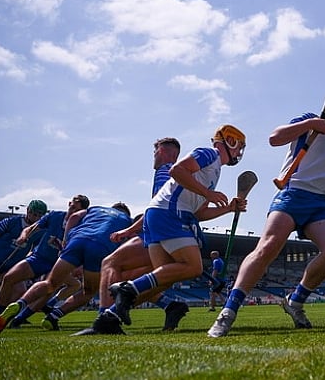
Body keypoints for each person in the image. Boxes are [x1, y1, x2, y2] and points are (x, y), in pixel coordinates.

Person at [208, 92, 325, 337]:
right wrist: (310, 125)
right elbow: (274, 138)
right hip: (294, 192)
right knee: (268, 247)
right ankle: (228, 311)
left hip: (321, 203)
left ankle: (295, 301)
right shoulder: (312, 119)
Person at [105, 125, 248, 334]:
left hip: (160, 214)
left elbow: (199, 213)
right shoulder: (209, 154)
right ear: (230, 141)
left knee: (162, 280)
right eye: (239, 146)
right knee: (193, 267)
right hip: (168, 213)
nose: (239, 152)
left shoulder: (214, 171)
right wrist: (208, 195)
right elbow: (177, 170)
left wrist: (228, 209)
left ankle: (109, 316)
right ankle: (127, 289)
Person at [70, 137, 190, 334]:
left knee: (110, 264)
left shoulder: (164, 172)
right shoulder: (179, 174)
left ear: (161, 151)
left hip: (160, 235)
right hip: (174, 234)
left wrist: (129, 231)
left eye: (154, 152)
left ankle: (104, 321)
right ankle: (170, 306)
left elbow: (159, 209)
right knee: (128, 280)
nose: (153, 156)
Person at [0, 202, 133, 332]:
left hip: (77, 241)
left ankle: (20, 304)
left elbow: (74, 217)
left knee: (49, 283)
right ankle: (53, 317)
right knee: (88, 291)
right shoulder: (127, 221)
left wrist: (66, 240)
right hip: (100, 247)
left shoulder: (96, 209)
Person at [0, 195, 90, 328]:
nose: (72, 211)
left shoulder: (82, 227)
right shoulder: (55, 216)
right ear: (69, 204)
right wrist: (23, 236)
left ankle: (18, 320)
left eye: (76, 210)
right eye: (72, 207)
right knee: (9, 278)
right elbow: (30, 228)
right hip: (39, 257)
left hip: (58, 263)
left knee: (48, 290)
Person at [0, 200, 47, 327]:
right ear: (28, 211)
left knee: (19, 293)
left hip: (11, 265)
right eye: (35, 214)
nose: (37, 218)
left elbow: (35, 250)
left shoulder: (39, 231)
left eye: (40, 215)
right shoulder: (10, 222)